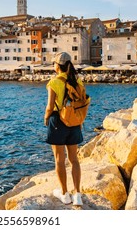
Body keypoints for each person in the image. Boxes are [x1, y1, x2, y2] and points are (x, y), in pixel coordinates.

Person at [44, 52, 83, 206]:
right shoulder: (77, 81)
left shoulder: (54, 82)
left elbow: (49, 106)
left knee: (59, 159)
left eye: (53, 63)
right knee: (74, 159)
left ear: (57, 66)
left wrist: (46, 118)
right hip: (74, 121)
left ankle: (65, 194)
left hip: (58, 121)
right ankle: (78, 194)